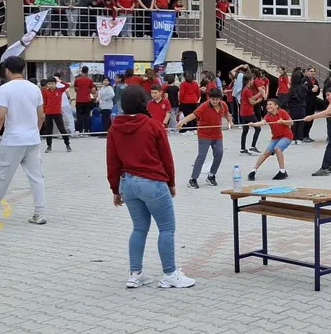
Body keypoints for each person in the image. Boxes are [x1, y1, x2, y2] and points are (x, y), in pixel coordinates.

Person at [107, 85, 193, 289]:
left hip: (128, 183)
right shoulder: (153, 125)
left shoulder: (114, 128)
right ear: (143, 102)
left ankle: (135, 274)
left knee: (139, 228)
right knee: (166, 228)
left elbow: (112, 161)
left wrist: (115, 189)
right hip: (152, 181)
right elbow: (166, 157)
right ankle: (170, 274)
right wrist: (171, 182)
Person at [0, 56, 46, 225]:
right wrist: (34, 132)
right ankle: (39, 213)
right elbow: (41, 116)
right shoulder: (35, 88)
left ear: (7, 70)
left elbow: (0, 116)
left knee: (2, 178)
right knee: (36, 177)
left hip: (13, 141)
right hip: (32, 140)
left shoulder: (5, 89)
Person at [179, 87, 231, 188]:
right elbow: (193, 115)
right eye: (213, 99)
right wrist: (182, 122)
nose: (215, 101)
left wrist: (229, 121)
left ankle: (211, 175)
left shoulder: (223, 105)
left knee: (219, 153)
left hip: (217, 134)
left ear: (220, 98)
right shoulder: (204, 106)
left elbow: (226, 113)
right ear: (209, 98)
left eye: (217, 99)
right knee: (202, 156)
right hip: (204, 135)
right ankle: (193, 179)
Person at [247, 97, 295, 181]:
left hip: (287, 136)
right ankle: (253, 171)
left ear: (276, 106)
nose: (268, 106)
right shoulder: (267, 116)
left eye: (270, 104)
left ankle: (282, 171)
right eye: (267, 105)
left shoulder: (282, 112)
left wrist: (283, 121)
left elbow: (291, 123)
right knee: (267, 152)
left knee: (277, 148)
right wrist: (253, 124)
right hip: (276, 137)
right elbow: (262, 123)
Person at [40, 78, 71, 152]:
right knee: (48, 130)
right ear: (47, 85)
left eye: (52, 83)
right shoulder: (45, 91)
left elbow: (67, 85)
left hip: (57, 113)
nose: (51, 85)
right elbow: (44, 102)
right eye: (49, 84)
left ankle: (67, 144)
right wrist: (44, 112)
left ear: (55, 83)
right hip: (48, 113)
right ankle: (49, 146)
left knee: (62, 129)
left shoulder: (59, 90)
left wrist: (60, 81)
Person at [72, 66, 96, 133]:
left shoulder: (77, 80)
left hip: (79, 100)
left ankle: (80, 130)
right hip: (87, 100)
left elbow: (75, 89)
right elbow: (92, 90)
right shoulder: (90, 80)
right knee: (87, 116)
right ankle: (86, 130)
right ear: (87, 72)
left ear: (81, 71)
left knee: (79, 116)